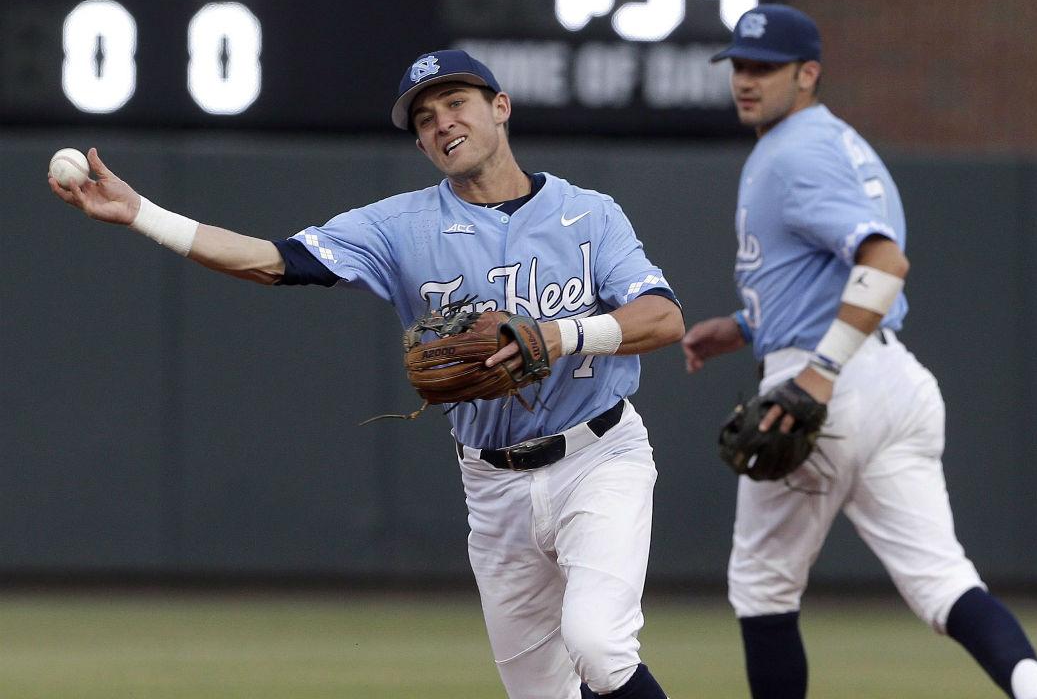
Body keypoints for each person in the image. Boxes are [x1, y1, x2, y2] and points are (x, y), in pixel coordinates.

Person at [50, 49, 681, 699]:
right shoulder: (398, 226)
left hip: (599, 458)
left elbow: (663, 319)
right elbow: (274, 260)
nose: (441, 123)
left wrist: (557, 335)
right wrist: (144, 215)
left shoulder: (590, 213)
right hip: (494, 487)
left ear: (500, 106)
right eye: (425, 119)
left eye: (455, 103)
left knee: (599, 646)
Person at [682, 5, 1037, 699]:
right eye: (739, 65)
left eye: (764, 68)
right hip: (895, 381)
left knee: (762, 587)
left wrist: (819, 375)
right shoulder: (838, 142)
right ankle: (1034, 688)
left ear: (808, 73)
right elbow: (825, 272)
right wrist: (742, 326)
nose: (746, 79)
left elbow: (884, 264)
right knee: (944, 581)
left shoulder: (794, 154)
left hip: (826, 380)